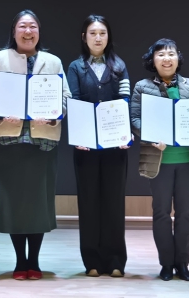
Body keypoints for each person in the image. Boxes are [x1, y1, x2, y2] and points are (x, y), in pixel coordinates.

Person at [0, 10, 71, 281]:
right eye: (23, 26)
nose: (28, 31)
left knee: (38, 203)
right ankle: (20, 261)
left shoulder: (53, 62)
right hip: (8, 140)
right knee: (14, 203)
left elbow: (65, 96)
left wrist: (53, 114)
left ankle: (35, 261)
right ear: (14, 31)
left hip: (42, 141)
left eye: (33, 27)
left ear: (39, 32)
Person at [130, 38, 189, 282]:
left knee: (185, 214)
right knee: (161, 213)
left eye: (171, 54)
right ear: (152, 60)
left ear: (178, 58)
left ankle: (182, 263)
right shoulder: (142, 87)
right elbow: (134, 119)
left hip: (188, 160)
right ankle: (166, 263)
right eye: (161, 54)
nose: (166, 58)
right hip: (159, 161)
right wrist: (151, 135)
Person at [66, 15, 131, 278]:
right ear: (84, 37)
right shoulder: (75, 67)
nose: (98, 38)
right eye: (92, 33)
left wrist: (125, 133)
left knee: (114, 202)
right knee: (89, 202)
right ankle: (91, 260)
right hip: (86, 148)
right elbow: (74, 101)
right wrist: (79, 135)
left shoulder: (119, 66)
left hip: (115, 147)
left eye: (102, 33)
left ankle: (115, 260)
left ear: (108, 36)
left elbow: (125, 100)